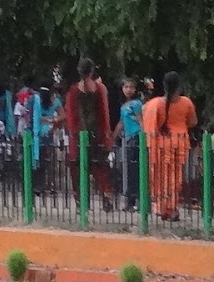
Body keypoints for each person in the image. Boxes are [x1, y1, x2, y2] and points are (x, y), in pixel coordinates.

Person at [141, 71, 197, 221]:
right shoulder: (186, 102)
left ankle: (161, 207)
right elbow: (193, 122)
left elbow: (145, 116)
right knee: (175, 177)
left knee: (160, 176)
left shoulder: (156, 104)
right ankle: (171, 208)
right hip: (180, 142)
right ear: (179, 86)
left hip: (161, 143)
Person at [63, 57, 115, 208]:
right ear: (92, 71)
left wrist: (73, 136)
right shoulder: (100, 89)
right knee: (100, 168)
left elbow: (71, 117)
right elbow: (104, 114)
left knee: (78, 169)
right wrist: (107, 136)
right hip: (97, 134)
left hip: (79, 136)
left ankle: (81, 201)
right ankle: (106, 195)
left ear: (79, 71)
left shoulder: (73, 91)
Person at [111, 77, 144, 210]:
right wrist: (113, 137)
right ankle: (131, 201)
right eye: (126, 87)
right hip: (128, 138)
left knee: (134, 170)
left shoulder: (136, 104)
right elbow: (121, 123)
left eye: (131, 87)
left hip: (136, 138)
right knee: (129, 170)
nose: (129, 90)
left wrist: (144, 137)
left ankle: (134, 202)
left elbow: (142, 121)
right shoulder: (124, 106)